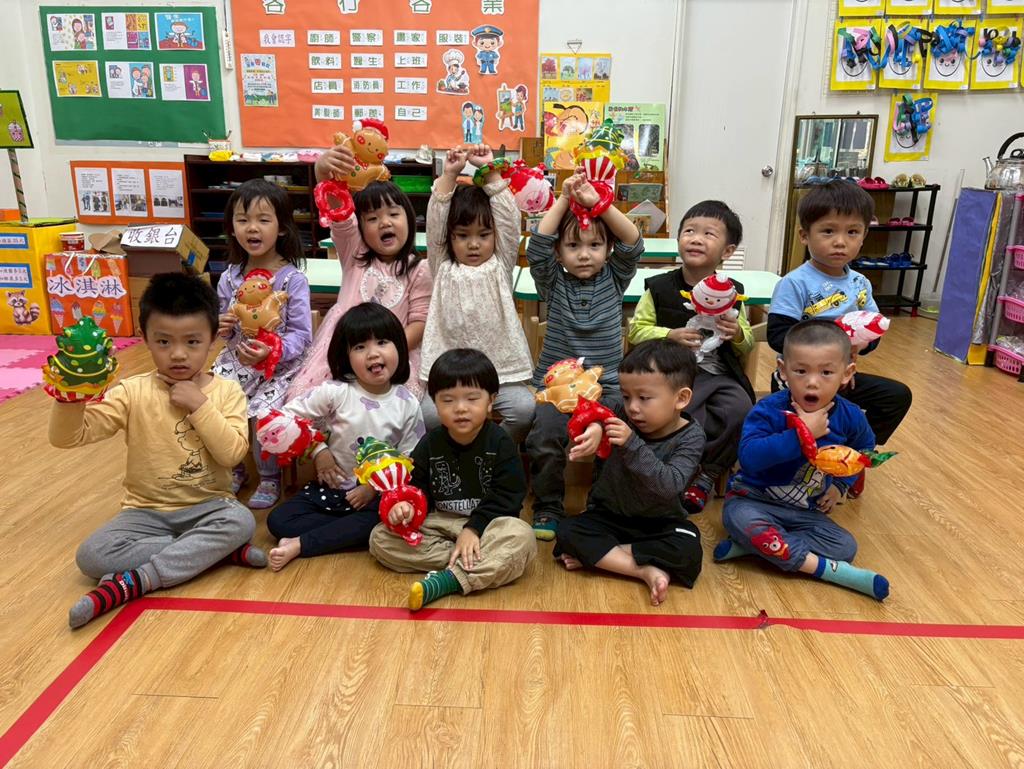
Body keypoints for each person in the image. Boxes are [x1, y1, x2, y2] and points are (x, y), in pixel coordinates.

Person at [50, 273, 266, 629]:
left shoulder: (226, 391)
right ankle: (210, 553)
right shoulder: (132, 391)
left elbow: (231, 455)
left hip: (209, 507)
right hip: (145, 513)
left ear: (213, 338)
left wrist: (199, 405)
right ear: (144, 338)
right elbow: (70, 437)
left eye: (192, 342)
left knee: (241, 521)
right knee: (90, 555)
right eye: (163, 341)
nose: (178, 354)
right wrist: (69, 395)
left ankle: (138, 581)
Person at [715, 320, 890, 601]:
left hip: (805, 512)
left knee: (845, 546)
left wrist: (841, 486)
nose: (812, 381)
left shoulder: (851, 416)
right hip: (754, 500)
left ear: (847, 374)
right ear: (783, 370)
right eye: (800, 371)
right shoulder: (768, 410)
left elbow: (864, 448)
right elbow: (749, 458)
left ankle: (757, 546)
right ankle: (828, 571)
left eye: (826, 372)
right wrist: (801, 436)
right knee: (738, 518)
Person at [767, 180, 912, 495]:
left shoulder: (860, 284)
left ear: (864, 236)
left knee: (896, 396)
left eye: (852, 232)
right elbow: (777, 335)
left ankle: (853, 457)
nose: (840, 242)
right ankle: (813, 461)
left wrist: (863, 343)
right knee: (809, 420)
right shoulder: (795, 283)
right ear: (805, 236)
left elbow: (874, 330)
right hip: (800, 380)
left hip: (843, 377)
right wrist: (834, 339)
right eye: (828, 231)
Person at [525, 169, 644, 539]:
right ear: (559, 252)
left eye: (594, 246)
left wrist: (599, 205)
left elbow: (633, 242)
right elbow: (537, 246)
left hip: (607, 387)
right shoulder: (553, 281)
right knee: (543, 437)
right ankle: (548, 505)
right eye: (573, 246)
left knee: (620, 434)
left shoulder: (615, 278)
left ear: (607, 251)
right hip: (556, 389)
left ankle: (602, 507)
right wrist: (564, 198)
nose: (584, 254)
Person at [369, 349, 536, 610]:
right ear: (435, 404)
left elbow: (508, 498)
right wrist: (406, 507)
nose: (460, 408)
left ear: (490, 401)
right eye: (448, 400)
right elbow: (416, 488)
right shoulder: (430, 443)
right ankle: (470, 559)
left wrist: (473, 530)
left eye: (472, 398)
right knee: (379, 538)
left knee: (522, 536)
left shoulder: (500, 442)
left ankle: (449, 580)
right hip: (440, 525)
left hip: (489, 526)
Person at [267, 303, 424, 571]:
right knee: (278, 521)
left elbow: (409, 458)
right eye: (360, 347)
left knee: (384, 517)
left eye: (382, 342)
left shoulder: (407, 402)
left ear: (399, 346)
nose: (373, 353)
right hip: (332, 490)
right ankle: (343, 533)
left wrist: (373, 487)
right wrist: (318, 451)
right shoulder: (334, 391)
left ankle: (302, 544)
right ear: (346, 355)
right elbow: (282, 418)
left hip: (375, 497)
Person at [555, 340, 706, 606]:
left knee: (689, 546)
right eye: (627, 396)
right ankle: (644, 569)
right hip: (608, 516)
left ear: (681, 398)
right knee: (568, 531)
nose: (632, 407)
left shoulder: (691, 436)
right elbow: (595, 413)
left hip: (660, 523)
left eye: (644, 398)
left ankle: (603, 556)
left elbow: (670, 485)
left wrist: (631, 443)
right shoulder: (620, 411)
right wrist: (595, 428)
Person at [628, 201, 755, 514]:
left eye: (709, 234)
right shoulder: (658, 287)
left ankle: (707, 473)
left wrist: (737, 333)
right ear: (678, 240)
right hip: (669, 375)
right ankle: (673, 472)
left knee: (740, 409)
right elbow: (635, 331)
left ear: (728, 251)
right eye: (689, 231)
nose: (696, 238)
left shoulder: (734, 293)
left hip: (717, 373)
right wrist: (668, 334)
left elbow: (748, 343)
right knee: (684, 412)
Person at [289, 144, 432, 401]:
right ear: (361, 229)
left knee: (388, 410)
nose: (385, 222)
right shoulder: (355, 252)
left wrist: (386, 354)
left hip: (392, 358)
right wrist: (322, 172)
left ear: (410, 220)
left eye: (393, 214)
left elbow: (419, 323)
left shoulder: (419, 269)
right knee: (317, 403)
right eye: (372, 218)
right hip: (343, 353)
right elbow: (340, 213)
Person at [419, 144, 535, 443]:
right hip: (450, 375)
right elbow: (436, 221)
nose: (473, 244)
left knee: (524, 410)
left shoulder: (500, 264)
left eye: (483, 235)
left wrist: (492, 173)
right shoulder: (442, 266)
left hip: (500, 373)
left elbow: (509, 220)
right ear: (450, 238)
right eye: (462, 236)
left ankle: (490, 450)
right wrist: (449, 175)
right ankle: (458, 455)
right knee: (429, 416)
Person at [213, 179, 313, 510]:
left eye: (263, 219)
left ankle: (269, 476)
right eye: (243, 220)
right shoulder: (229, 277)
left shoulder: (292, 280)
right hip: (237, 361)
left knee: (262, 413)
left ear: (281, 228)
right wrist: (223, 328)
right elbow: (224, 328)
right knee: (214, 402)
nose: (252, 228)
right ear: (232, 228)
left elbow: (302, 334)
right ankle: (233, 467)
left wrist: (274, 350)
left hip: (279, 365)